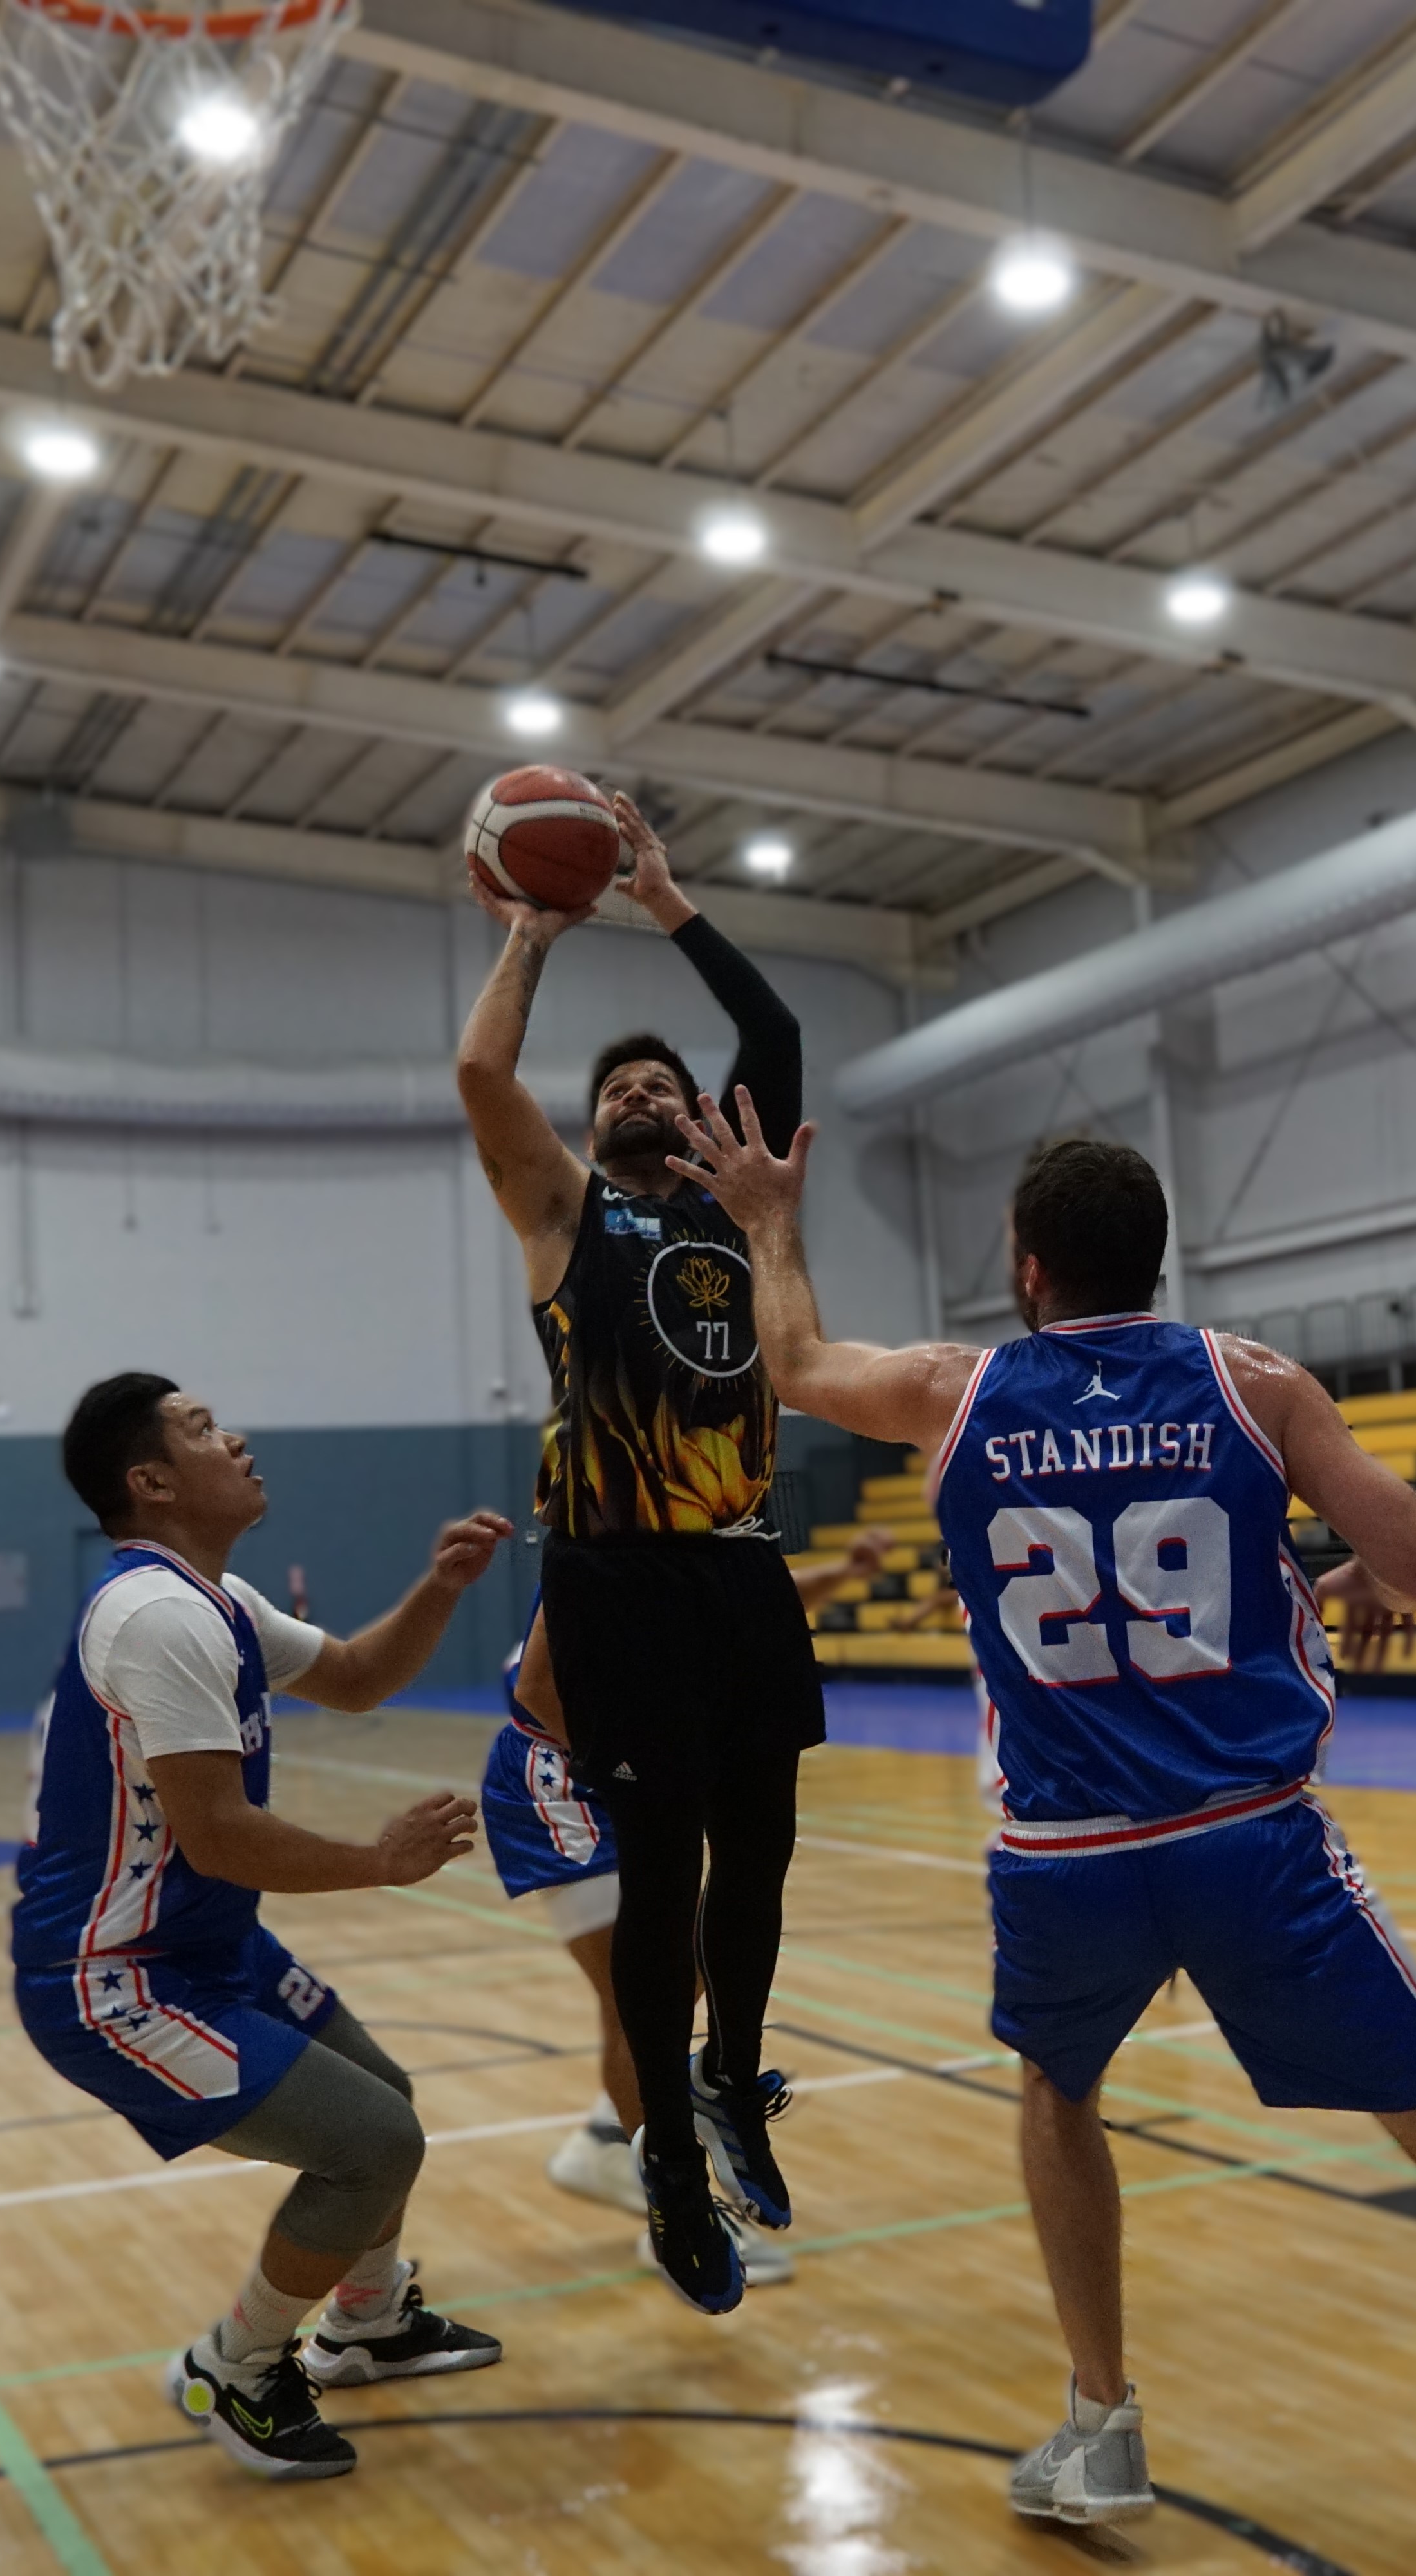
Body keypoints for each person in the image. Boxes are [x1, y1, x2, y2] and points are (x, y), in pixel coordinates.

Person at [674, 1101, 1416, 2572]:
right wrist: (1337, 1560)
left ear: (1027, 1267)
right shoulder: (1255, 1381)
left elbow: (789, 1364)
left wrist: (771, 1222)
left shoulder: (950, 1388)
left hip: (1065, 1852)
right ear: (1153, 1263)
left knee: (1058, 2088)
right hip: (1249, 1833)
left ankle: (1099, 2425)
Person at [14, 1375, 513, 2483]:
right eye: (198, 1431)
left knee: (384, 2099)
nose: (231, 1438)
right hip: (110, 1978)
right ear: (150, 1483)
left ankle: (367, 2320)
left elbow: (356, 1677)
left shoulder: (219, 1600)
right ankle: (232, 2368)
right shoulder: (159, 1619)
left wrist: (438, 1588)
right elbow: (218, 1838)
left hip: (203, 1950)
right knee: (373, 2144)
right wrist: (379, 1865)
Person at [457, 792, 818, 2316]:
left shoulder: (740, 1218)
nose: (648, 1091)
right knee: (662, 1875)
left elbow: (778, 1033)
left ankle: (729, 2078)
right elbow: (483, 1070)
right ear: (592, 1124)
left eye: (669, 1080)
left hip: (738, 1564)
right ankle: (668, 2153)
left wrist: (668, 898)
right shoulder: (562, 1214)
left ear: (704, 1117)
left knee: (768, 1847)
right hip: (613, 1574)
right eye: (623, 1083)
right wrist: (536, 932)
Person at [487, 1529, 897, 2286]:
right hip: (566, 1773)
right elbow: (539, 1690)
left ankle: (609, 2141)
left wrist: (844, 1571)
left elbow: (754, 1613)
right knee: (643, 1990)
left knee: (679, 1976)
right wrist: (635, 1775)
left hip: (628, 1760)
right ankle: (670, 2206)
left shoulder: (704, 1526)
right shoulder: (610, 1519)